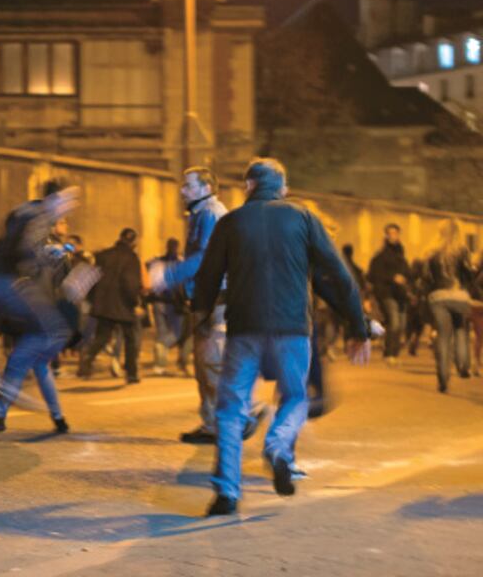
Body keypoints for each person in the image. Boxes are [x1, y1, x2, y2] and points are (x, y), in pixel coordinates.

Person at [193, 158, 369, 517]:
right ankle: (277, 447)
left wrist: (200, 323)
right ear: (284, 188)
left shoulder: (230, 222)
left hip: (244, 329)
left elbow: (207, 278)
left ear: (248, 186)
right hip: (292, 330)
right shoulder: (304, 218)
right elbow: (338, 275)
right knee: (295, 397)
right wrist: (358, 327)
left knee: (230, 408)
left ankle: (226, 492)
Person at [149, 167, 265, 444]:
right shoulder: (199, 214)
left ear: (206, 188)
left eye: (188, 185)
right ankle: (213, 424)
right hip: (204, 300)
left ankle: (246, 412)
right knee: (204, 366)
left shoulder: (212, 213)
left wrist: (168, 275)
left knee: (215, 361)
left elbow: (205, 256)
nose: (182, 190)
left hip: (217, 300)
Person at [0, 179, 81, 438]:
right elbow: (24, 251)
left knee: (32, 363)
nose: (70, 209)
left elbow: (5, 250)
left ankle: (53, 418)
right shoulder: (39, 222)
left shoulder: (25, 215)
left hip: (11, 296)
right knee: (42, 344)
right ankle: (2, 407)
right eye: (68, 201)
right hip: (17, 298)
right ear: (54, 200)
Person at [79, 228, 145, 384]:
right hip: (123, 305)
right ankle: (131, 373)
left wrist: (93, 300)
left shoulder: (104, 255)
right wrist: (135, 303)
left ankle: (88, 356)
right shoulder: (132, 258)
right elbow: (130, 283)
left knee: (102, 336)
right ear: (134, 242)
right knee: (130, 338)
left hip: (104, 304)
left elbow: (92, 278)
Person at [424, 219, 476, 393]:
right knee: (460, 329)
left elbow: (426, 277)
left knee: (443, 336)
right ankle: (462, 365)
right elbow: (469, 274)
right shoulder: (462, 250)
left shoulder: (432, 252)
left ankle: (443, 377)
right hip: (459, 295)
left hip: (438, 296)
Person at [367, 224, 411, 367]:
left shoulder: (401, 255)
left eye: (395, 233)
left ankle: (392, 352)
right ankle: (390, 354)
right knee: (395, 321)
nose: (393, 236)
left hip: (401, 294)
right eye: (390, 233)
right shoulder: (380, 256)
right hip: (386, 293)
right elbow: (373, 275)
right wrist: (393, 277)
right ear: (386, 235)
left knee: (401, 325)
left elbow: (408, 273)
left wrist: (407, 279)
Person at [147, 238, 187, 376]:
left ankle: (159, 366)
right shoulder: (180, 264)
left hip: (157, 302)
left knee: (162, 332)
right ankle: (162, 347)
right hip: (173, 303)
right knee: (176, 332)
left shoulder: (156, 262)